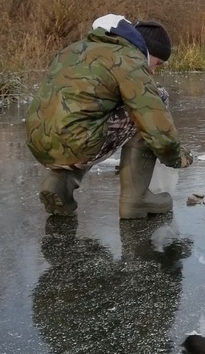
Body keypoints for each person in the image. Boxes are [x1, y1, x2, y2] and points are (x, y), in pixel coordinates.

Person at [25, 14, 193, 219]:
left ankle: (60, 182)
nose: (154, 71)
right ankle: (136, 199)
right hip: (79, 142)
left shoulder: (75, 48)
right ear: (148, 52)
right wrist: (176, 157)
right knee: (155, 99)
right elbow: (155, 124)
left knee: (90, 118)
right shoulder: (129, 58)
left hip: (38, 141)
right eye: (156, 64)